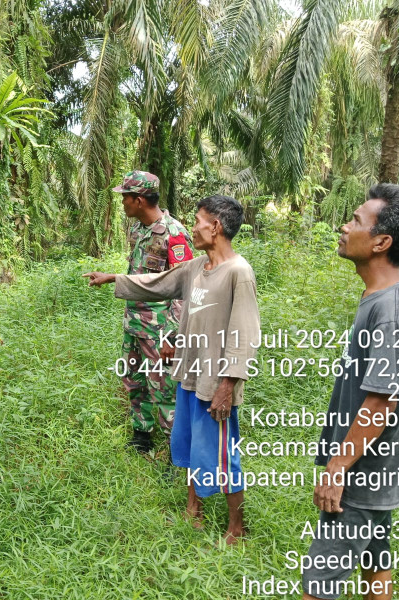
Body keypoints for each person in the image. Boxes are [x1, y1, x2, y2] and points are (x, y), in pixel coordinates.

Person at [83, 195, 260, 543]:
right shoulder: (196, 267)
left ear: (216, 227)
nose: (193, 227)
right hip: (189, 377)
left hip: (215, 382)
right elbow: (159, 283)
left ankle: (237, 527)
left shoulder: (238, 273)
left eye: (198, 220)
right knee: (192, 444)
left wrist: (228, 386)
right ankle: (193, 508)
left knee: (222, 455)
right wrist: (114, 279)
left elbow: (245, 335)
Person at [302, 184, 399, 600]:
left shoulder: (391, 311)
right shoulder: (386, 297)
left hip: (364, 473)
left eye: (356, 220)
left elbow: (381, 402)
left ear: (382, 242)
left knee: (318, 586)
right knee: (376, 567)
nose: (344, 226)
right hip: (378, 469)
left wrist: (339, 468)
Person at [111, 170, 193, 453]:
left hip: (159, 330)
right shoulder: (139, 230)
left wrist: (171, 336)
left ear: (140, 200)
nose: (123, 203)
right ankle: (142, 434)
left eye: (125, 198)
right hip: (134, 324)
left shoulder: (174, 234)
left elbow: (185, 289)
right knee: (135, 381)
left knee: (165, 389)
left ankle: (176, 450)